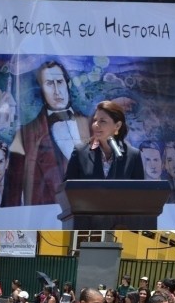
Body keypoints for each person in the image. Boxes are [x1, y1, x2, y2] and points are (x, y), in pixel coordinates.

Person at [10, 60, 91, 205]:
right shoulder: (25, 134)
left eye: (59, 82)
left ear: (68, 84)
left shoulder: (91, 124)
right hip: (46, 218)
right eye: (49, 84)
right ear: (41, 89)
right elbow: (13, 194)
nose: (57, 91)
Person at [63, 100, 144, 182]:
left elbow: (140, 192)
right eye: (95, 120)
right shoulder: (80, 152)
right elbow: (67, 190)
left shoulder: (133, 156)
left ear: (117, 125)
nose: (95, 125)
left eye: (102, 121)